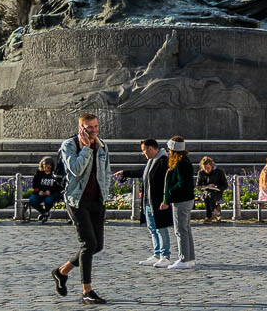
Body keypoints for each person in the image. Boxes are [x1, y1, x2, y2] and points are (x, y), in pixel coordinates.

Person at [53, 111, 112, 304]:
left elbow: (106, 171)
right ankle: (87, 291)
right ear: (81, 128)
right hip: (77, 200)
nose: (94, 131)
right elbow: (76, 169)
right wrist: (86, 149)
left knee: (98, 245)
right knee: (88, 244)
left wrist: (105, 193)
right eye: (90, 128)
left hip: (97, 200)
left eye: (96, 127)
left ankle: (61, 272)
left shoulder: (102, 145)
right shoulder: (69, 145)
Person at [117, 139, 170, 266]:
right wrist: (125, 173)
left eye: (143, 150)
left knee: (161, 228)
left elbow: (167, 183)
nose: (143, 153)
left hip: (157, 202)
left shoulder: (163, 161)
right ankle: (157, 254)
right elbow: (142, 172)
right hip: (148, 202)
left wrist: (166, 199)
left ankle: (165, 255)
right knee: (152, 228)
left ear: (151, 149)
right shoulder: (151, 161)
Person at [160, 137, 197, 269]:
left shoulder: (181, 163)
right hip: (185, 199)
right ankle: (190, 258)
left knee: (180, 230)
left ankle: (184, 258)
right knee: (186, 229)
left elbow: (182, 183)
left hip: (181, 200)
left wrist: (169, 193)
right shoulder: (184, 161)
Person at [25, 157, 64, 222]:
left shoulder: (55, 174)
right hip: (40, 192)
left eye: (48, 168)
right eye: (44, 167)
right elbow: (35, 184)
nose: (46, 169)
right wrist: (39, 191)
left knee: (48, 200)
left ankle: (45, 213)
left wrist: (50, 191)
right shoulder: (39, 173)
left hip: (51, 193)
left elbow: (58, 185)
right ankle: (44, 213)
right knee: (32, 200)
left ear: (51, 167)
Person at [196, 157, 228, 223]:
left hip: (217, 192)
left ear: (212, 166)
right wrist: (207, 186)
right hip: (205, 192)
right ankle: (215, 210)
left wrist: (218, 188)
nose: (207, 170)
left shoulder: (219, 172)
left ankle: (209, 216)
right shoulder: (201, 173)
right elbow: (198, 186)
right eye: (205, 169)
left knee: (209, 196)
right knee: (208, 194)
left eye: (208, 168)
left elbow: (225, 185)